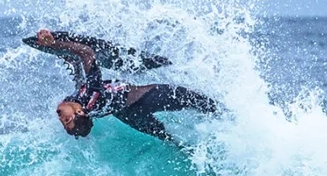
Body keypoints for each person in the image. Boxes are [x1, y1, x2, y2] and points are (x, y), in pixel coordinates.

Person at [32, 29, 219, 143]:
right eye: (66, 120)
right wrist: (56, 44)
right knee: (199, 102)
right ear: (79, 113)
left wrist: (65, 56)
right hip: (144, 98)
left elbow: (79, 78)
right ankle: (226, 117)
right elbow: (88, 53)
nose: (60, 117)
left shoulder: (78, 100)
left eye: (63, 122)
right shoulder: (92, 93)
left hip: (128, 115)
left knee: (168, 138)